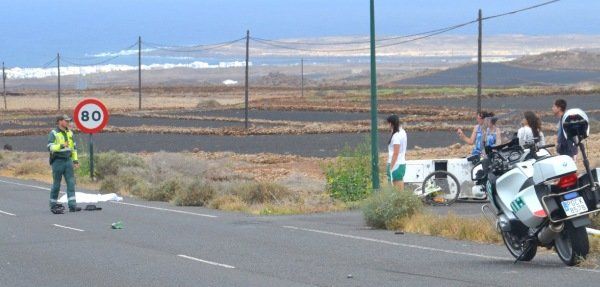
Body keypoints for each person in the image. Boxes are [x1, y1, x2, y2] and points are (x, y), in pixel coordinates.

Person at [48, 115, 81, 213]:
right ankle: (53, 205)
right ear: (59, 121)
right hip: (58, 161)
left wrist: (75, 161)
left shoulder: (70, 133)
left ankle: (72, 205)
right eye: (66, 121)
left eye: (69, 121)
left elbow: (73, 149)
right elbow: (50, 147)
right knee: (56, 184)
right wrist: (61, 145)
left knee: (71, 183)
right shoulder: (54, 133)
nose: (68, 122)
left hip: (68, 161)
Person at [386, 115, 407, 191]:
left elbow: (396, 153)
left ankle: (399, 202)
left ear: (391, 124)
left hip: (395, 165)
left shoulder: (396, 136)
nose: (387, 125)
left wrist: (391, 167)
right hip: (401, 163)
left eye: (388, 123)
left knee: (396, 189)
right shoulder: (402, 132)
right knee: (399, 188)